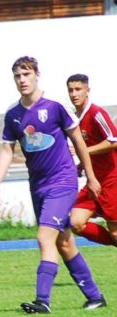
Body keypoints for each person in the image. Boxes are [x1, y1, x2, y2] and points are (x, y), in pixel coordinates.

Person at [0, 56, 106, 313]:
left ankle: (42, 301)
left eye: (26, 74)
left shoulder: (55, 106)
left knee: (44, 237)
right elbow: (7, 150)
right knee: (64, 242)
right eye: (18, 76)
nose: (22, 80)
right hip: (38, 186)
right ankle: (95, 296)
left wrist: (92, 177)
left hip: (62, 182)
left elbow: (78, 142)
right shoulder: (13, 114)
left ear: (37, 75)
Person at [66, 74, 117, 248]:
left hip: (111, 180)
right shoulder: (74, 118)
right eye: (71, 90)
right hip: (93, 182)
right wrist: (82, 164)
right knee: (75, 223)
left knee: (116, 233)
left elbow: (114, 140)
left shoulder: (96, 113)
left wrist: (84, 152)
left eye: (78, 89)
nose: (74, 94)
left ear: (87, 91)